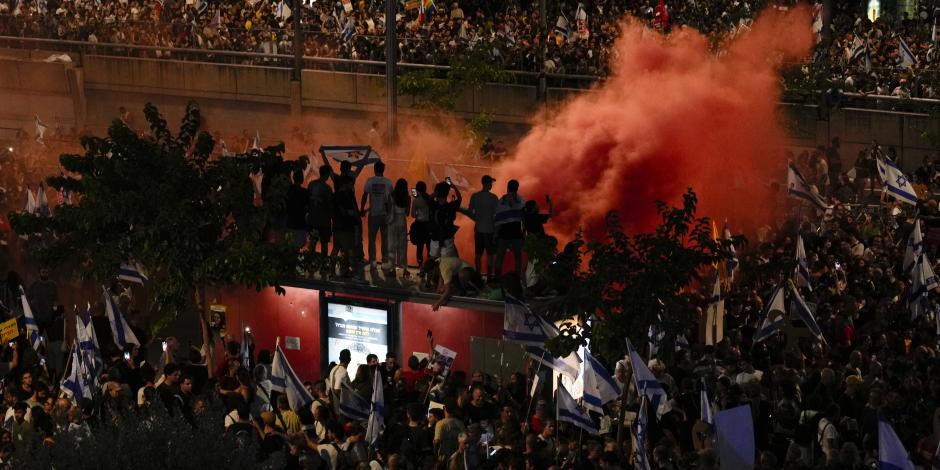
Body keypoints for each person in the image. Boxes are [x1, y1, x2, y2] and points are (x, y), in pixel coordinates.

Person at [361, 160, 392, 274]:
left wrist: (362, 209)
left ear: (374, 169)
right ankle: (384, 261)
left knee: (372, 239)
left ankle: (373, 261)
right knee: (385, 239)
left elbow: (364, 196)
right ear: (383, 170)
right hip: (385, 215)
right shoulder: (388, 182)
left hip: (373, 215)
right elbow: (391, 200)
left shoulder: (370, 181)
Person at [466, 175, 498, 281]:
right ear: (488, 184)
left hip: (478, 230)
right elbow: (497, 215)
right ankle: (489, 277)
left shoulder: (475, 196)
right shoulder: (493, 198)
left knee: (478, 254)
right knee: (490, 254)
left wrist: (478, 219)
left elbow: (470, 212)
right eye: (491, 183)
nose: (491, 185)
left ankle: (478, 275)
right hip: (490, 230)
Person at [494, 180, 525, 280]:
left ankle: (497, 279)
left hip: (503, 233)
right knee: (518, 257)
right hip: (516, 233)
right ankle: (517, 278)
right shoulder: (521, 200)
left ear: (507, 188)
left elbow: (498, 220)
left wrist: (495, 234)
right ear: (517, 188)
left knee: (499, 257)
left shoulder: (501, 201)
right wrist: (523, 233)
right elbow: (523, 218)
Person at [332, 176, 362, 279]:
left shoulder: (335, 195)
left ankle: (332, 269)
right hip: (346, 227)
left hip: (336, 226)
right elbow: (348, 211)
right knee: (346, 249)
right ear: (345, 184)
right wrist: (352, 214)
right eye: (351, 184)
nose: (352, 187)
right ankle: (345, 271)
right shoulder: (347, 195)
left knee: (336, 248)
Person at [307, 164, 334, 258]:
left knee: (312, 243)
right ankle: (323, 265)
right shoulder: (327, 188)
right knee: (324, 244)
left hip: (312, 219)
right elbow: (330, 205)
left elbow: (307, 201)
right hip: (323, 221)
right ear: (327, 175)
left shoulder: (311, 184)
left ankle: (309, 264)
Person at [388, 178, 411, 279]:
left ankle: (392, 269)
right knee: (402, 246)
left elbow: (388, 209)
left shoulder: (392, 195)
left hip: (393, 222)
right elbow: (407, 213)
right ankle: (404, 268)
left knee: (392, 246)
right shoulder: (407, 198)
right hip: (402, 221)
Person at [410, 181, 432, 279]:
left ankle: (421, 269)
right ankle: (430, 270)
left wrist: (419, 213)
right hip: (429, 226)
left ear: (418, 190)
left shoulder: (416, 200)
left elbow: (413, 214)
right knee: (430, 249)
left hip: (419, 225)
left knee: (420, 248)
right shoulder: (430, 199)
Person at [285, 169, 309, 250]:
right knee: (298, 247)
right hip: (300, 224)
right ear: (302, 179)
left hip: (289, 223)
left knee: (289, 247)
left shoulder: (288, 191)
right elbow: (307, 208)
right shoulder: (304, 192)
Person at [328, 349, 351, 415]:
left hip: (335, 407)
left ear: (339, 358)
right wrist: (345, 403)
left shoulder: (334, 368)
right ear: (349, 359)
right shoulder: (342, 371)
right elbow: (337, 390)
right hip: (340, 410)